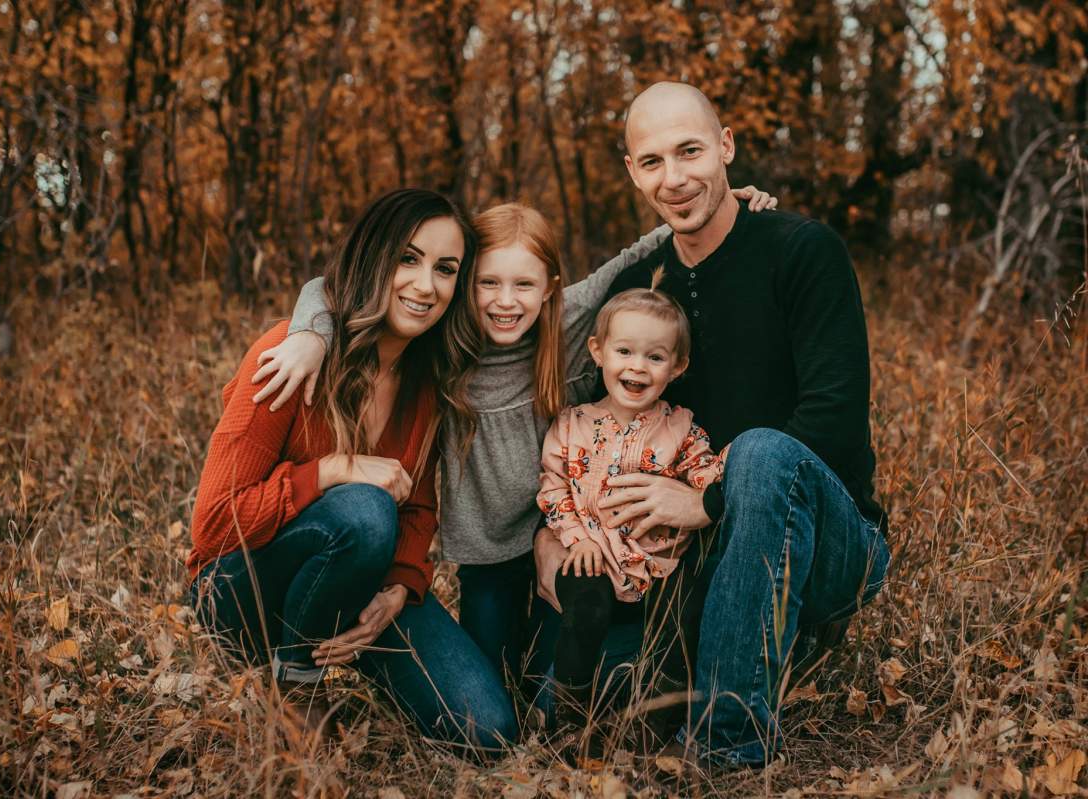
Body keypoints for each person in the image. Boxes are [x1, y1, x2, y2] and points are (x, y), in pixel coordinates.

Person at [254, 191, 776, 713]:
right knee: (494, 705)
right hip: (486, 554)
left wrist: (724, 202)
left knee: (554, 693)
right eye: (489, 283)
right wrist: (309, 336)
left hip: (565, 536)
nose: (506, 301)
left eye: (524, 285)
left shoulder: (569, 322)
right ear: (466, 284)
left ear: (549, 289)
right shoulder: (447, 339)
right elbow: (326, 289)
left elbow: (637, 252)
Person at [532, 81, 891, 768]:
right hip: (681, 560)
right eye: (652, 161)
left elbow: (835, 421)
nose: (674, 178)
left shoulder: (803, 251)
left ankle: (728, 743)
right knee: (579, 692)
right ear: (632, 171)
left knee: (760, 452)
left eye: (690, 151)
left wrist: (706, 501)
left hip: (828, 540)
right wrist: (549, 536)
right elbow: (573, 420)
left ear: (726, 146)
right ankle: (726, 656)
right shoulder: (638, 290)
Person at [187, 188, 518, 751]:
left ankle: (331, 637)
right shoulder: (288, 355)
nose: (425, 285)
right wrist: (334, 468)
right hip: (241, 590)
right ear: (374, 257)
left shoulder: (427, 379)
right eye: (408, 259)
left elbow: (418, 506)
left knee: (486, 730)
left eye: (445, 269)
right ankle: (296, 682)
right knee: (365, 509)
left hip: (358, 576)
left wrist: (399, 587)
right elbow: (215, 525)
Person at [537, 274, 725, 751]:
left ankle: (653, 720)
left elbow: (707, 476)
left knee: (683, 614)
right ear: (598, 351)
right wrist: (576, 538)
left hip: (659, 565)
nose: (637, 367)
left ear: (677, 366)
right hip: (590, 555)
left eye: (655, 357)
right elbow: (554, 487)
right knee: (586, 606)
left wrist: (719, 477)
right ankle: (571, 718)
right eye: (624, 352)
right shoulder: (572, 423)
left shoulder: (681, 429)